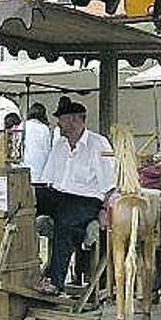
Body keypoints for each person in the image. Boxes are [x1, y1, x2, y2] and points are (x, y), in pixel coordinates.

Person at [35, 97, 114, 295]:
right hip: (59, 195)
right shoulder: (60, 144)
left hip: (86, 200)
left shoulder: (99, 143)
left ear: (73, 120)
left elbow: (111, 183)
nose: (57, 124)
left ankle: (55, 281)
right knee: (27, 197)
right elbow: (48, 179)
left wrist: (105, 210)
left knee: (66, 222)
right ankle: (23, 268)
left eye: (60, 119)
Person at [23, 103, 53, 214]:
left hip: (26, 170)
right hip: (43, 171)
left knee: (28, 205)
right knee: (41, 206)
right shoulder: (45, 128)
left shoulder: (23, 126)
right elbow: (48, 149)